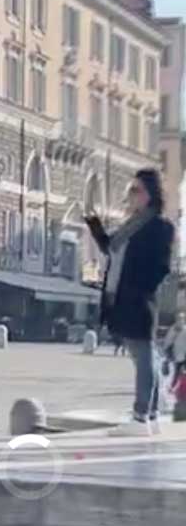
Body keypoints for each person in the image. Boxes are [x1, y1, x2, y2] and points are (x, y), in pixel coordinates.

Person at [87, 168, 175, 436]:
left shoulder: (160, 227)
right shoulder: (131, 224)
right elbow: (111, 248)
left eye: (136, 190)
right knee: (143, 357)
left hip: (139, 300)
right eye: (130, 190)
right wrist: (94, 225)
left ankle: (141, 417)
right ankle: (151, 416)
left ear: (150, 195)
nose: (131, 196)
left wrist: (140, 290)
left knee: (145, 356)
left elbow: (161, 267)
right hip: (123, 300)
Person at [161, 312, 186, 385]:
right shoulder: (173, 329)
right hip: (177, 355)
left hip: (182, 354)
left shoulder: (184, 328)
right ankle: (174, 386)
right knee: (177, 372)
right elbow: (168, 341)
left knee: (179, 372)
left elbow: (167, 342)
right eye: (179, 318)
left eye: (182, 318)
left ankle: (177, 386)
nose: (181, 320)